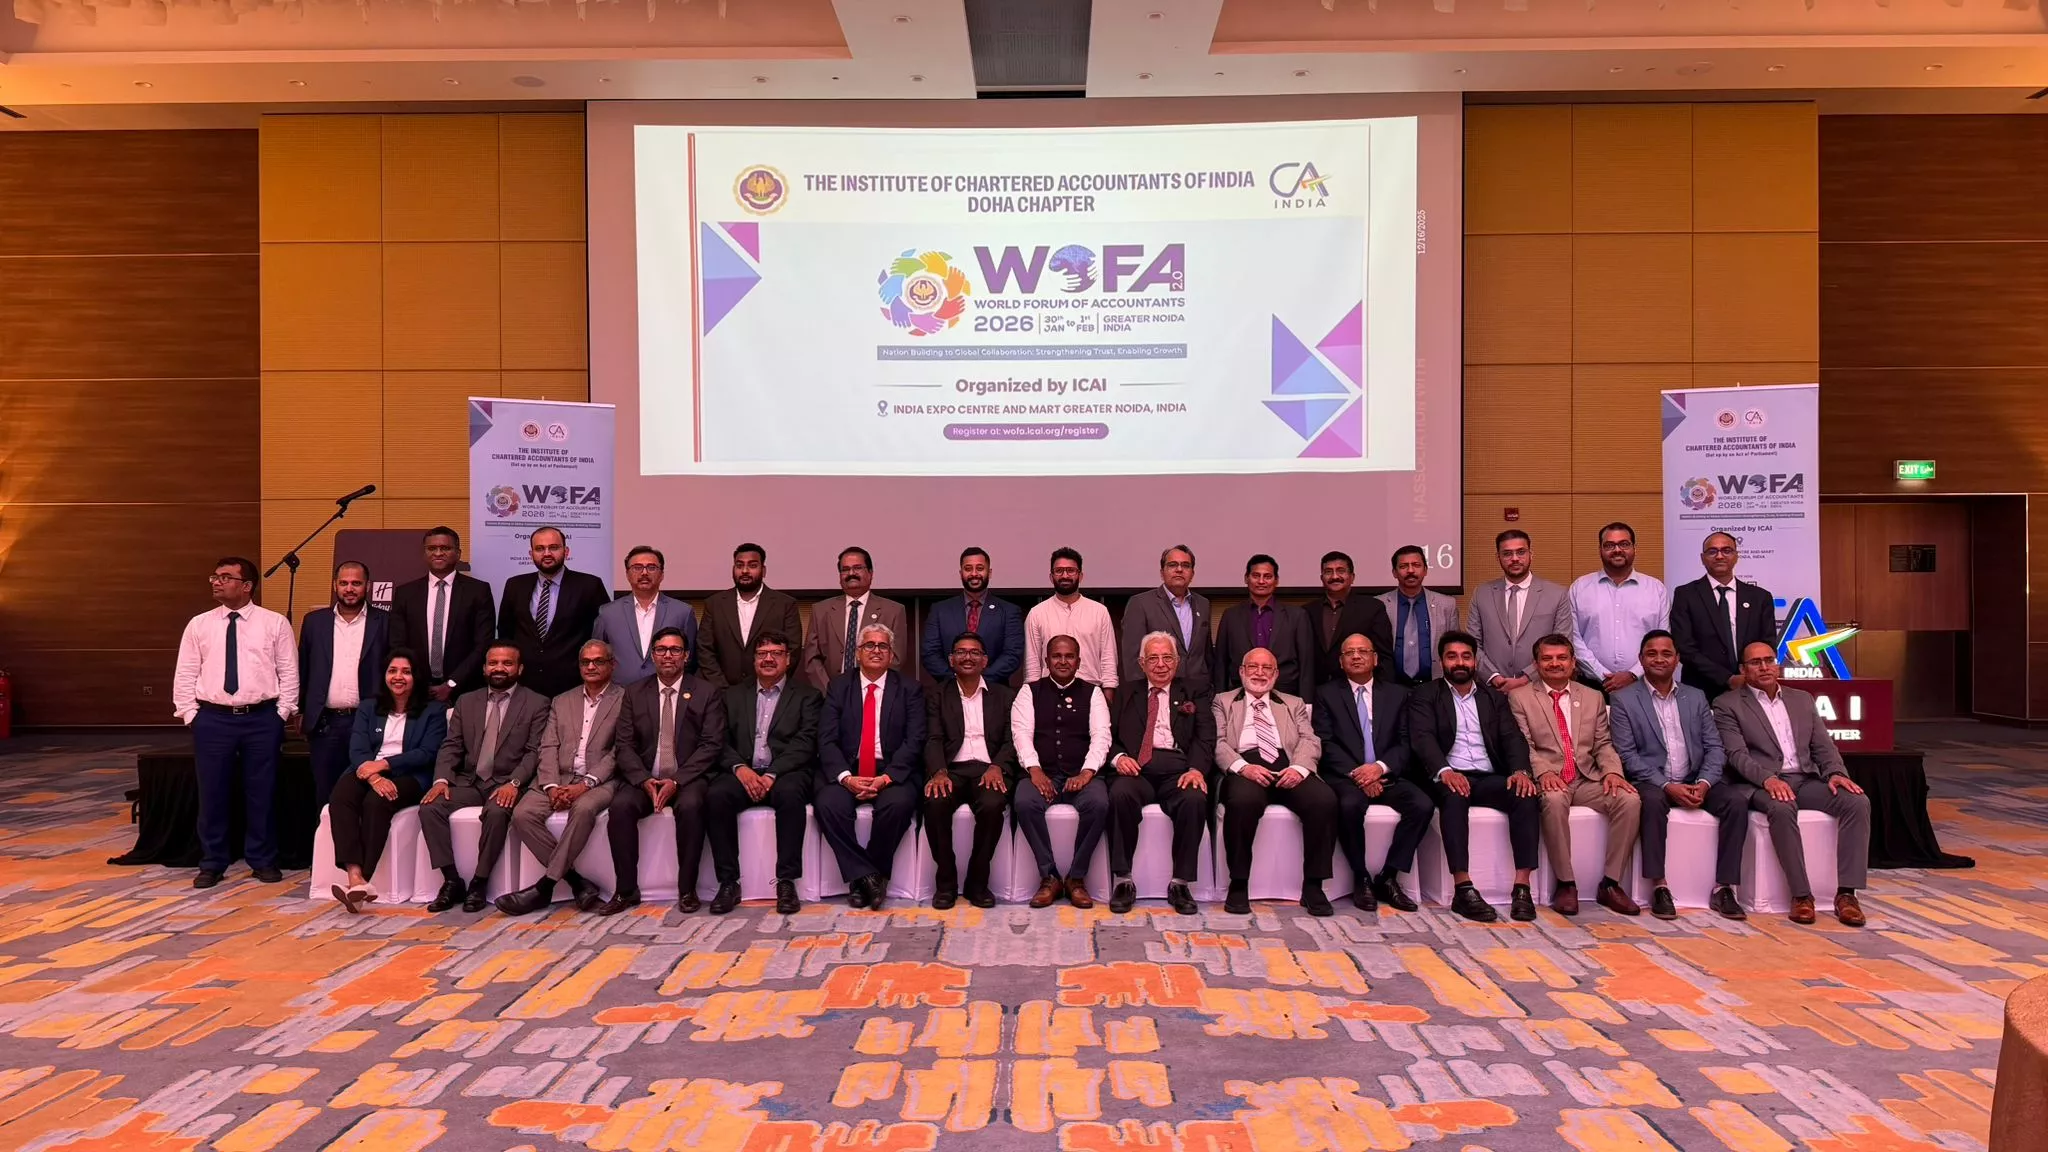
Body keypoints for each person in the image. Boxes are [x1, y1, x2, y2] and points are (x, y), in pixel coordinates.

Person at [1713, 642, 1871, 927]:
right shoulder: (1727, 704)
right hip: (1760, 783)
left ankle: (1847, 894)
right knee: (1782, 807)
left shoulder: (1802, 699)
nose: (1764, 667)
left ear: (1777, 665)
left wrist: (1836, 773)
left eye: (1769, 660)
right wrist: (1767, 779)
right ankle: (1801, 896)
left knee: (1856, 802)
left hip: (1805, 779)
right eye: (1755, 662)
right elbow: (1736, 755)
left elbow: (1823, 746)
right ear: (1743, 670)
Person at [172, 557, 300, 889]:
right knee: (212, 793)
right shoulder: (199, 624)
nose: (216, 582)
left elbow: (289, 672)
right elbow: (185, 673)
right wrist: (191, 715)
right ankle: (212, 862)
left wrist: (281, 714)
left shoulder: (274, 623)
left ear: (247, 586)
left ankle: (263, 859)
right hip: (213, 719)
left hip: (261, 719)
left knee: (262, 793)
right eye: (214, 577)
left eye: (226, 577)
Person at [1610, 630, 1745, 920]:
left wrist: (1704, 783)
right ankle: (1659, 886)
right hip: (1652, 781)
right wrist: (1667, 785)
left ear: (1677, 659)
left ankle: (1724, 887)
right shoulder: (1623, 700)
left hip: (1696, 778)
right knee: (1650, 802)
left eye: (1666, 654)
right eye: (1652, 654)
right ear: (1641, 659)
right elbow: (1627, 755)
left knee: (1736, 802)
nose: (1659, 659)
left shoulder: (1695, 697)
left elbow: (1714, 747)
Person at [1408, 631, 1540, 923]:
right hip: (1448, 775)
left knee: (1525, 793)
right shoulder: (1425, 695)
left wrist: (1520, 771)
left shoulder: (1493, 697)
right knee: (1455, 796)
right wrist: (1445, 770)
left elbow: (1512, 737)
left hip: (1488, 775)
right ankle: (1463, 888)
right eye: (1452, 656)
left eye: (1466, 656)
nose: (1460, 662)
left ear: (1475, 661)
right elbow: (1422, 738)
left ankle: (1522, 888)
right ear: (1441, 661)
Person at [1508, 634, 1643, 916]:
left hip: (1586, 778)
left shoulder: (1593, 697)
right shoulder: (1520, 697)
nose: (1555, 663)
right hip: (1549, 778)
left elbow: (1603, 743)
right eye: (1547, 658)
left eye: (1562, 658)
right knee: (1554, 801)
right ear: (1536, 664)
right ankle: (1566, 884)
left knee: (1629, 800)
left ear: (1573, 663)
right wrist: (1544, 771)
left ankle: (1611, 884)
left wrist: (1613, 772)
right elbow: (1523, 744)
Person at [598, 627, 725, 916]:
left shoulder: (706, 692)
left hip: (687, 778)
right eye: (661, 650)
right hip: (644, 777)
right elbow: (624, 745)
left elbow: (711, 745)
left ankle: (687, 890)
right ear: (653, 656)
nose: (668, 655)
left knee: (692, 807)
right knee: (620, 807)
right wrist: (644, 780)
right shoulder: (634, 693)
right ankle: (626, 890)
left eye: (675, 650)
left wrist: (676, 781)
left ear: (686, 656)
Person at [418, 643, 550, 913]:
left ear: (519, 669)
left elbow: (534, 752)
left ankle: (479, 882)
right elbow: (452, 746)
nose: (499, 668)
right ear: (484, 668)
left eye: (507, 663)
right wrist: (441, 780)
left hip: (507, 783)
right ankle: (452, 881)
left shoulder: (537, 703)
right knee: (430, 807)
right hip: (470, 781)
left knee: (497, 812)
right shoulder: (467, 701)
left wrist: (514, 783)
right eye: (493, 663)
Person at [499, 640, 625, 915]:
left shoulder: (625, 700)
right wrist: (552, 786)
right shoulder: (562, 700)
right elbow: (548, 745)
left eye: (598, 661)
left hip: (600, 781)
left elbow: (619, 751)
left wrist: (586, 784)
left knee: (583, 809)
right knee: (522, 814)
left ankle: (544, 887)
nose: (591, 666)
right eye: (585, 662)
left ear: (612, 665)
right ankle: (577, 882)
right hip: (557, 778)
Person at [1312, 633, 1432, 912]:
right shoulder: (1326, 694)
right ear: (1341, 662)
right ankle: (1361, 876)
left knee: (1422, 805)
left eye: (1363, 651)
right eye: (1349, 652)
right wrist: (1360, 774)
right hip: (1346, 776)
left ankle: (1388, 876)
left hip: (1387, 774)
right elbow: (1325, 742)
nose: (1356, 656)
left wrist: (1378, 768)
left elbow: (1406, 742)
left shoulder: (1399, 694)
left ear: (1375, 659)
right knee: (1349, 805)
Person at [706, 631, 820, 917]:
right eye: (762, 654)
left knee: (791, 795)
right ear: (754, 659)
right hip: (743, 771)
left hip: (786, 772)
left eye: (776, 653)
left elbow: (806, 743)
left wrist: (772, 773)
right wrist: (740, 769)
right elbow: (718, 740)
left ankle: (786, 882)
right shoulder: (732, 695)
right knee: (716, 795)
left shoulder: (808, 696)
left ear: (788, 659)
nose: (769, 659)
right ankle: (728, 883)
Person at [814, 622, 927, 910]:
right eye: (869, 645)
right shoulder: (839, 686)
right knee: (828, 804)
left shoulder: (910, 689)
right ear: (858, 652)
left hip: (891, 770)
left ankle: (862, 880)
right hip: (848, 769)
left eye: (882, 646)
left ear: (892, 654)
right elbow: (826, 738)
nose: (876, 651)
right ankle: (868, 877)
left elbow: (915, 740)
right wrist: (846, 778)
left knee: (898, 805)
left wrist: (886, 778)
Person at [1214, 647, 1334, 916]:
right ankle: (1238, 883)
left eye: (1266, 667)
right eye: (1253, 667)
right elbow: (1218, 742)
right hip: (1246, 766)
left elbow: (1310, 739)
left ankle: (1314, 885)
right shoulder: (1223, 701)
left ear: (1276, 674)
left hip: (1288, 765)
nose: (1259, 673)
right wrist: (1243, 768)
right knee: (1242, 803)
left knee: (1323, 800)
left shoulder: (1293, 703)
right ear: (1241, 671)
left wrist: (1299, 769)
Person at [326, 649, 447, 912]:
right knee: (341, 796)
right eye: (392, 671)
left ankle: (364, 878)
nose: (398, 677)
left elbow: (428, 752)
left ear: (416, 676)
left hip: (410, 775)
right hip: (367, 771)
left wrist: (384, 765)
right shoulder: (369, 707)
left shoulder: (433, 710)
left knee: (377, 802)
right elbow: (357, 749)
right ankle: (355, 877)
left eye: (406, 671)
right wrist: (373, 776)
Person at [1105, 634, 1215, 915]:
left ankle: (1180, 883)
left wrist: (1196, 769)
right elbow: (1107, 735)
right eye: (1153, 658)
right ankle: (1123, 880)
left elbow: (1205, 736)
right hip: (1136, 770)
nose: (1161, 664)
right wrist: (1119, 758)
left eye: (1167, 657)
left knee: (1194, 798)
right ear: (1141, 663)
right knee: (1120, 794)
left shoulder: (1194, 691)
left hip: (1178, 771)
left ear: (1177, 661)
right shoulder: (1126, 692)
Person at [1010, 635, 1113, 909]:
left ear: (1079, 661)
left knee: (1099, 803)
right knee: (1024, 802)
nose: (1063, 661)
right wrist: (1034, 769)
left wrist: (1087, 772)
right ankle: (1050, 877)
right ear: (1047, 660)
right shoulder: (1029, 691)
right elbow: (1021, 734)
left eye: (1069, 656)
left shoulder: (1093, 693)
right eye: (1057, 656)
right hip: (1041, 772)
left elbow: (1101, 736)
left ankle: (1076, 878)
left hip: (1082, 773)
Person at [923, 632, 1019, 909]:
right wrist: (938, 771)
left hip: (989, 769)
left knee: (993, 804)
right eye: (961, 652)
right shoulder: (936, 695)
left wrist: (998, 766)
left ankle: (978, 882)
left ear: (985, 661)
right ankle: (946, 883)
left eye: (975, 652)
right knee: (935, 801)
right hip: (951, 769)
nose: (968, 657)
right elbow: (933, 738)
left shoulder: (1005, 696)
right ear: (951, 660)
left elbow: (1013, 739)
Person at [299, 561, 389, 803]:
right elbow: (304, 668)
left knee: (368, 794)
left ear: (367, 586)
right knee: (325, 795)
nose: (349, 589)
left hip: (369, 722)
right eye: (344, 583)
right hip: (326, 723)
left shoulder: (385, 621)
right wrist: (301, 712)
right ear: (334, 586)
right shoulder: (314, 622)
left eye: (356, 583)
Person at [387, 526, 497, 702]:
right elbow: (397, 644)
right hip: (416, 690)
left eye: (445, 548)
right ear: (424, 554)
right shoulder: (405, 593)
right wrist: (417, 682)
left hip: (465, 690)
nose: (438, 553)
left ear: (458, 554)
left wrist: (452, 684)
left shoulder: (478, 591)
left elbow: (483, 644)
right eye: (432, 548)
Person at [499, 526, 610, 700]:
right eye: (540, 549)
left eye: (553, 547)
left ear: (566, 551)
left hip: (572, 684)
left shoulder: (589, 585)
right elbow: (505, 631)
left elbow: (602, 634)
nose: (547, 553)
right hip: (525, 684)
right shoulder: (515, 585)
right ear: (531, 554)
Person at [1670, 532, 1778, 699]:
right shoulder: (1686, 595)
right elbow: (1684, 647)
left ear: (1736, 556)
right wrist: (1727, 679)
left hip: (1751, 687)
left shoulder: (1760, 597)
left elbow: (1768, 643)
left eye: (1726, 550)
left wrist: (1748, 675)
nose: (1719, 556)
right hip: (1702, 689)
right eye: (1712, 551)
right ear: (1702, 558)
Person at [1465, 530, 1572, 693]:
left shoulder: (1557, 594)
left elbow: (1562, 644)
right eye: (1507, 553)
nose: (1515, 558)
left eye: (1521, 552)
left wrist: (1526, 678)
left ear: (1531, 554)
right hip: (1493, 689)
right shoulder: (1481, 593)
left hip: (1539, 688)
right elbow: (1472, 643)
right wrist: (1494, 677)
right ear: (1498, 557)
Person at [1569, 522, 1670, 694]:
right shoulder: (1580, 587)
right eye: (1609, 545)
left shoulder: (1656, 589)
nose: (1617, 550)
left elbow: (1662, 639)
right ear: (1600, 550)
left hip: (1643, 683)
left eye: (1624, 544)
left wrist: (1633, 674)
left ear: (1634, 548)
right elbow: (1573, 637)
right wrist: (1602, 675)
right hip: (1591, 685)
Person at [803, 547, 910, 690]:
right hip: (830, 693)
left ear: (870, 573)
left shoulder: (893, 611)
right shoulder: (821, 610)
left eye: (858, 568)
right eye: (845, 569)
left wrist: (868, 690)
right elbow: (812, 659)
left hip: (874, 693)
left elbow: (896, 658)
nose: (851, 573)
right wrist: (829, 691)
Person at [698, 542, 804, 688]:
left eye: (752, 565)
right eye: (739, 565)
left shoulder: (785, 604)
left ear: (763, 570)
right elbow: (704, 650)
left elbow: (792, 651)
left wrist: (767, 684)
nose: (745, 571)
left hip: (769, 690)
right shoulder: (714, 604)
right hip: (722, 691)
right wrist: (722, 688)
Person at [591, 546, 698, 686]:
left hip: (667, 692)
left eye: (651, 567)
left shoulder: (683, 612)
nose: (644, 573)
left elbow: (691, 660)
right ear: (627, 574)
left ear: (662, 574)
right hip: (620, 693)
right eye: (637, 567)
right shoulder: (607, 613)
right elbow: (597, 656)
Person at [1214, 555, 1316, 698]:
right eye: (1256, 576)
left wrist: (1307, 701)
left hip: (1286, 695)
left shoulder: (1297, 616)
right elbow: (1221, 662)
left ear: (1276, 580)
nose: (1261, 581)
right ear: (1246, 578)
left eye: (1267, 576)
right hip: (1241, 695)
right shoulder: (1231, 615)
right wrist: (1220, 698)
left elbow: (1306, 664)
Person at [1119, 546, 1214, 697]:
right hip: (1159, 692)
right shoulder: (1140, 603)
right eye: (1172, 565)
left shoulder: (1203, 604)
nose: (1179, 569)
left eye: (1185, 565)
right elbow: (1132, 658)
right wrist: (1141, 696)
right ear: (1162, 573)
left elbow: (1206, 653)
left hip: (1199, 692)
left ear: (1192, 574)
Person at [922, 547, 1026, 685]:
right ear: (961, 573)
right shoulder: (939, 610)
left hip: (994, 691)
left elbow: (1012, 654)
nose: (974, 574)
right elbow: (930, 653)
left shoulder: (1009, 611)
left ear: (989, 573)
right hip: (949, 691)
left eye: (980, 568)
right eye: (968, 569)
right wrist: (957, 683)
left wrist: (979, 682)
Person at [1023, 548, 1118, 695]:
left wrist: (1108, 693)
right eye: (1059, 571)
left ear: (1080, 576)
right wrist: (1033, 696)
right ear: (1051, 576)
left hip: (1091, 691)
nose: (1065, 575)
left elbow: (1108, 657)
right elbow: (1032, 663)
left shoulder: (1099, 611)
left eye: (1071, 570)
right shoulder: (1037, 613)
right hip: (1048, 693)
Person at [1376, 546, 1459, 688]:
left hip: (1434, 686)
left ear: (1425, 570)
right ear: (1394, 572)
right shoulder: (1379, 604)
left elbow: (1454, 647)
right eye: (1403, 566)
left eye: (1416, 565)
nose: (1410, 571)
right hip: (1391, 687)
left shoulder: (1447, 604)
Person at [1311, 551, 1395, 689]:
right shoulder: (1308, 611)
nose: (1334, 576)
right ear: (1322, 578)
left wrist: (1384, 692)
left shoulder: (1372, 608)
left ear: (1352, 577)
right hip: (1318, 690)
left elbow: (1384, 656)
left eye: (1341, 571)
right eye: (1328, 572)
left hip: (1359, 689)